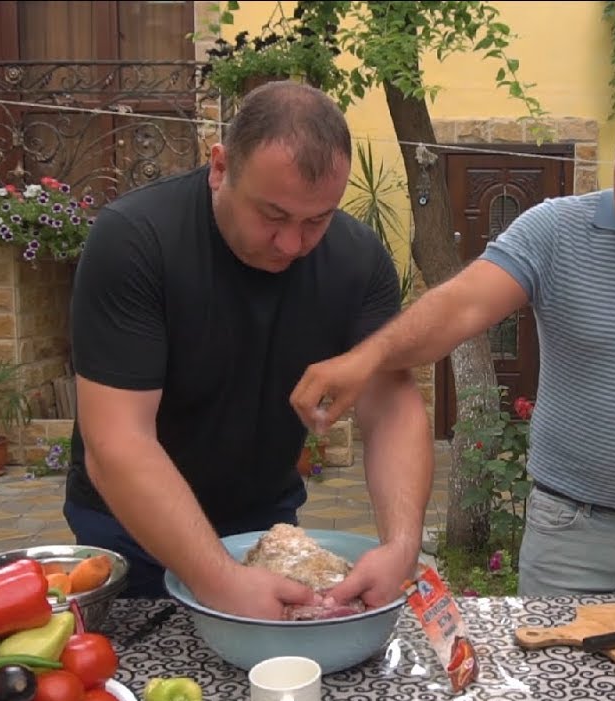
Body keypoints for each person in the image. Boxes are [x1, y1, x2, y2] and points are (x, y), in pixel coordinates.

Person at [290, 77, 615, 597]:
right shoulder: (556, 231)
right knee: (552, 655)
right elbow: (461, 304)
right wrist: (370, 356)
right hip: (571, 535)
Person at [62, 80, 434, 620]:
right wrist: (218, 578)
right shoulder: (135, 240)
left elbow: (392, 406)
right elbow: (117, 441)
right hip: (131, 531)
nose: (292, 244)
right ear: (220, 167)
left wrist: (401, 544)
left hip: (265, 528)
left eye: (317, 219)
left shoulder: (358, 259)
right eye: (273, 216)